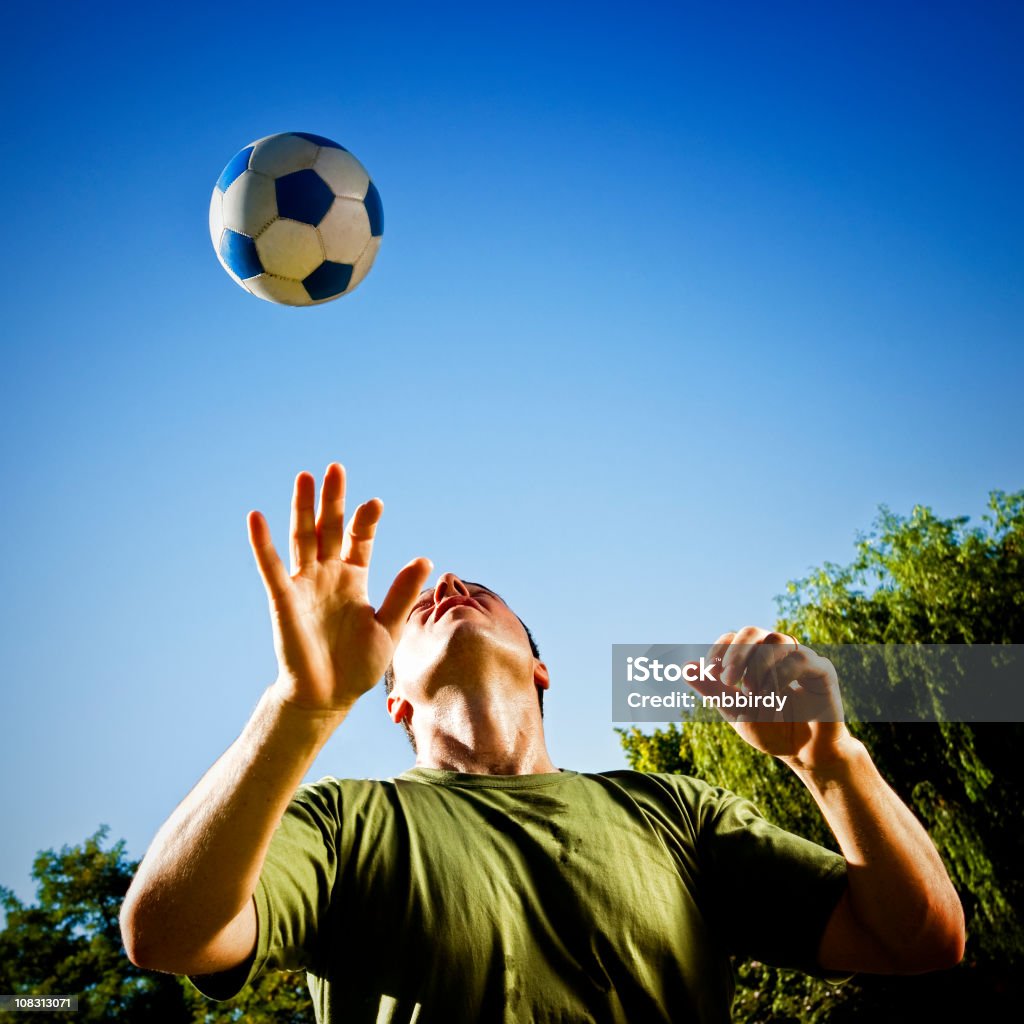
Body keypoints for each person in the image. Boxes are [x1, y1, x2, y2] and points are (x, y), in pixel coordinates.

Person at [120, 463, 966, 1023]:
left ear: (542, 669)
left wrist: (831, 761)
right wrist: (298, 706)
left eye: (478, 591)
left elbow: (919, 940)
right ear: (394, 705)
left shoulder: (672, 811)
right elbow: (166, 934)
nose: (446, 586)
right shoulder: (343, 821)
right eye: (421, 606)